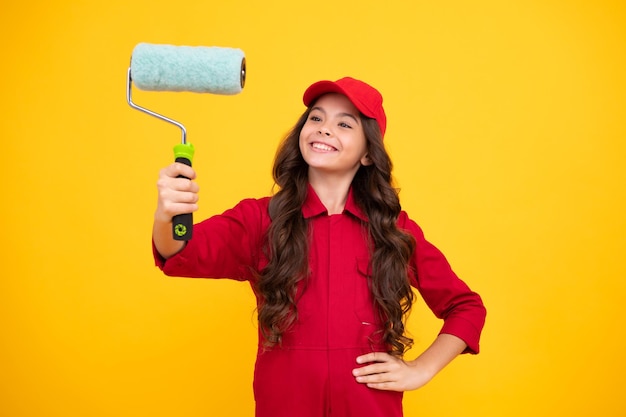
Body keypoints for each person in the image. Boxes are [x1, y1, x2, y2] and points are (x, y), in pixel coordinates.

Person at [152, 77, 486, 417]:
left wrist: (421, 370)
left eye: (344, 123)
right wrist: (168, 213)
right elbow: (179, 251)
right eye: (316, 118)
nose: (324, 129)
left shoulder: (393, 230)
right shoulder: (260, 219)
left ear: (369, 153)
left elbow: (467, 307)